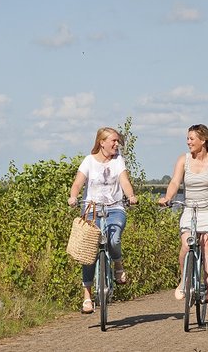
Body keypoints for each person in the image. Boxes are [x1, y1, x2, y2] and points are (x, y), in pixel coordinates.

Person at [68, 127, 138, 314]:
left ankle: (118, 265)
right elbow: (77, 183)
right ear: (102, 142)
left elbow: (124, 182)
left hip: (115, 208)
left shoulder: (118, 161)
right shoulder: (89, 161)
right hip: (92, 210)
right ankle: (87, 297)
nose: (117, 144)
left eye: (117, 141)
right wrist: (73, 197)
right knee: (89, 252)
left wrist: (131, 196)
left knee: (114, 239)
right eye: (113, 141)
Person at [157, 124, 208, 304]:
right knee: (186, 243)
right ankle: (184, 280)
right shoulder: (184, 159)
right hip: (190, 208)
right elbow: (174, 182)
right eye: (187, 138)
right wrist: (167, 197)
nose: (188, 142)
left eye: (191, 138)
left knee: (207, 243)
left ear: (203, 140)